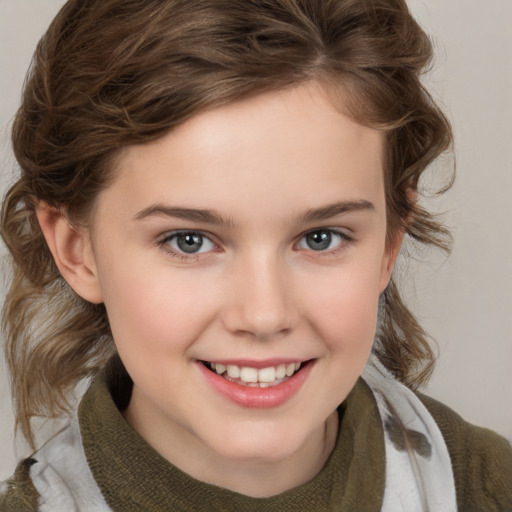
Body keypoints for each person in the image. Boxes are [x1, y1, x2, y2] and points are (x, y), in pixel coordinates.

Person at [1, 0, 511, 510]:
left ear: (388, 243)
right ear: (77, 250)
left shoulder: (486, 488)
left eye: (321, 237)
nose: (264, 315)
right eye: (189, 241)